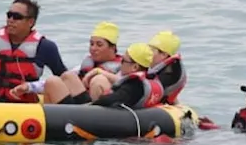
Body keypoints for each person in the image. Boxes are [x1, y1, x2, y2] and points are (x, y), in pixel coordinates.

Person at [0, 0, 68, 102]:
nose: (10, 20)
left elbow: (62, 77)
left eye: (16, 17)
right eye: (9, 15)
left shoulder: (45, 47)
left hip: (25, 106)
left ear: (31, 22)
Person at [24, 42, 162, 108]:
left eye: (124, 61)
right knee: (65, 77)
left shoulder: (135, 85)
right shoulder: (143, 79)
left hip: (90, 113)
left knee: (53, 82)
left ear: (135, 67)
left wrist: (92, 105)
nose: (121, 63)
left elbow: (115, 98)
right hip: (89, 107)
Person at [147, 30, 186, 104]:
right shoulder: (163, 66)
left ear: (164, 55)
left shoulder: (169, 73)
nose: (148, 53)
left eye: (151, 50)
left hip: (161, 106)